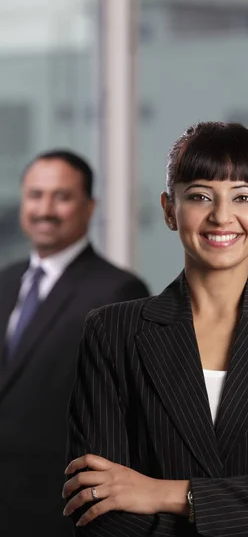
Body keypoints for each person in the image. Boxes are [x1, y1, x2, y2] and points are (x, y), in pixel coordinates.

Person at [64, 122, 248, 537]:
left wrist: (163, 493)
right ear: (170, 210)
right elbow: (98, 512)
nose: (222, 216)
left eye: (243, 197)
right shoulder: (113, 332)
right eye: (200, 196)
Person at [0, 150, 150, 537]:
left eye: (61, 197)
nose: (45, 209)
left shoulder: (118, 291)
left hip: (58, 508)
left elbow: (124, 413)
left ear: (89, 207)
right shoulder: (5, 281)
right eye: (35, 195)